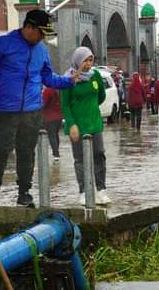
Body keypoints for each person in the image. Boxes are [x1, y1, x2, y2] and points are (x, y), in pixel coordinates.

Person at [0, 9, 78, 207]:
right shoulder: (3, 44)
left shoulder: (41, 50)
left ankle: (24, 193)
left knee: (27, 153)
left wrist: (67, 81)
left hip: (32, 110)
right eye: (40, 32)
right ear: (29, 27)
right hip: (6, 109)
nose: (42, 37)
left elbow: (47, 77)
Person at [60, 47, 111, 205]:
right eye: (85, 61)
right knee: (80, 159)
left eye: (90, 60)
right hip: (76, 125)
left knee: (99, 154)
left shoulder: (95, 76)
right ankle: (83, 191)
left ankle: (101, 190)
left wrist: (92, 109)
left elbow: (101, 95)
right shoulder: (68, 79)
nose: (88, 64)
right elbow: (65, 105)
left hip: (94, 122)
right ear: (77, 61)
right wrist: (72, 123)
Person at [42, 86, 63, 160]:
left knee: (52, 136)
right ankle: (56, 152)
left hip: (50, 117)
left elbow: (43, 104)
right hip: (59, 116)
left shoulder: (47, 91)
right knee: (55, 135)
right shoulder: (56, 90)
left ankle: (56, 154)